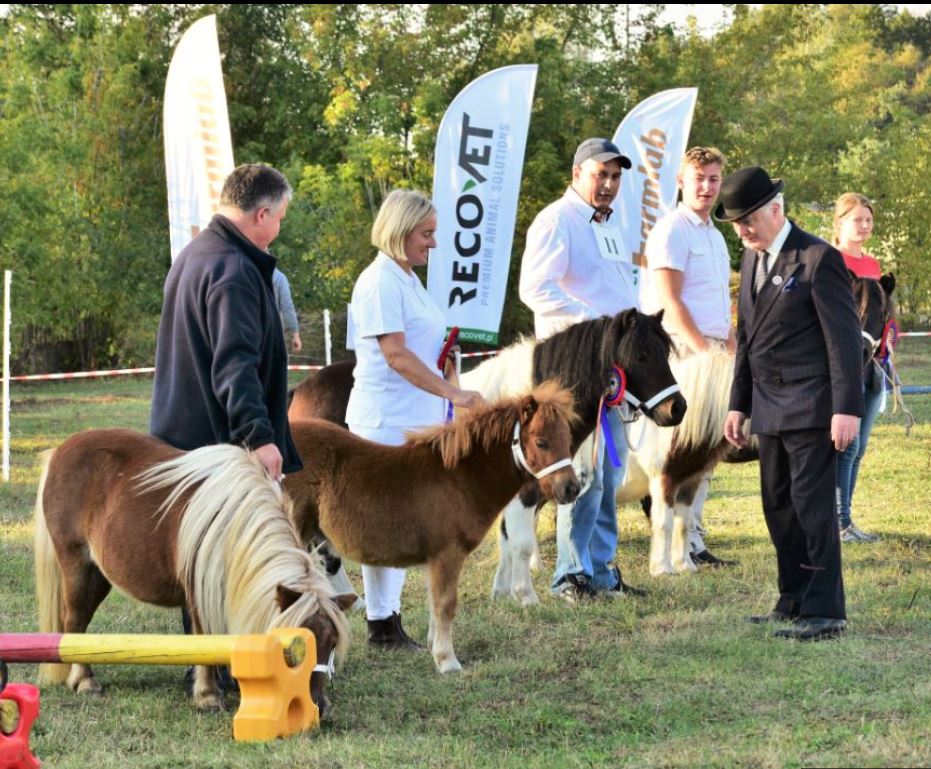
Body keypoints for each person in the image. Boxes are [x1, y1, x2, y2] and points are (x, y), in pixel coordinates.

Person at [150, 163, 302, 686]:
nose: (279, 228)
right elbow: (234, 364)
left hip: (180, 434)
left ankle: (208, 664)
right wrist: (259, 436)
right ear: (261, 214)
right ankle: (224, 667)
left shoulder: (193, 255)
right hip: (219, 443)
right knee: (225, 560)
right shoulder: (235, 271)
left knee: (205, 562)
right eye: (279, 217)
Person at [721, 166, 863, 642]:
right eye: (735, 222)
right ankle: (794, 596)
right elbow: (747, 339)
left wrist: (847, 409)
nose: (740, 229)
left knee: (812, 506)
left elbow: (843, 342)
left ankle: (826, 610)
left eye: (746, 220)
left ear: (775, 211)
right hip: (767, 406)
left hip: (813, 404)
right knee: (778, 505)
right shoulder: (751, 261)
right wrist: (737, 404)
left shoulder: (818, 258)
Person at [346, 189, 484, 650]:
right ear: (400, 232)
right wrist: (454, 393)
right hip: (386, 419)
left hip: (416, 417)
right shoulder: (380, 280)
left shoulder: (406, 277)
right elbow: (396, 355)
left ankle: (389, 617)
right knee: (381, 523)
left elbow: (421, 346)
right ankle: (379, 622)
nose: (434, 244)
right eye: (427, 235)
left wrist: (447, 360)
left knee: (403, 519)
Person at [519, 137, 638, 603]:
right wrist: (594, 330)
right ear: (576, 175)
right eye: (600, 175)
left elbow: (617, 292)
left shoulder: (610, 226)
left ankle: (601, 571)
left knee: (611, 467)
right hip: (572, 367)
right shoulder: (556, 220)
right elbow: (536, 288)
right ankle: (570, 574)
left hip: (611, 368)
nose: (608, 184)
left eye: (615, 177)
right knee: (583, 471)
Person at [642, 146, 737, 568]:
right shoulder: (671, 230)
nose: (706, 187)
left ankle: (693, 540)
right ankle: (679, 543)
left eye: (713, 179)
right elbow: (670, 301)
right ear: (681, 180)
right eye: (698, 178)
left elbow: (718, 300)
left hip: (716, 351)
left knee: (707, 452)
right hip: (685, 353)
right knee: (682, 451)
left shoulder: (715, 235)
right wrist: (703, 352)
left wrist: (732, 341)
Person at [832, 193, 883, 544]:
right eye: (856, 220)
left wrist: (886, 340)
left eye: (868, 220)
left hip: (872, 367)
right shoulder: (830, 260)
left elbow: (881, 316)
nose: (863, 226)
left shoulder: (874, 266)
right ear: (840, 222)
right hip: (843, 367)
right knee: (845, 447)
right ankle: (839, 521)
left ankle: (846, 517)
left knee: (860, 447)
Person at [273, 267, 303, 355]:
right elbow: (287, 307)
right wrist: (295, 334)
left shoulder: (245, 274)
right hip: (272, 334)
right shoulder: (279, 278)